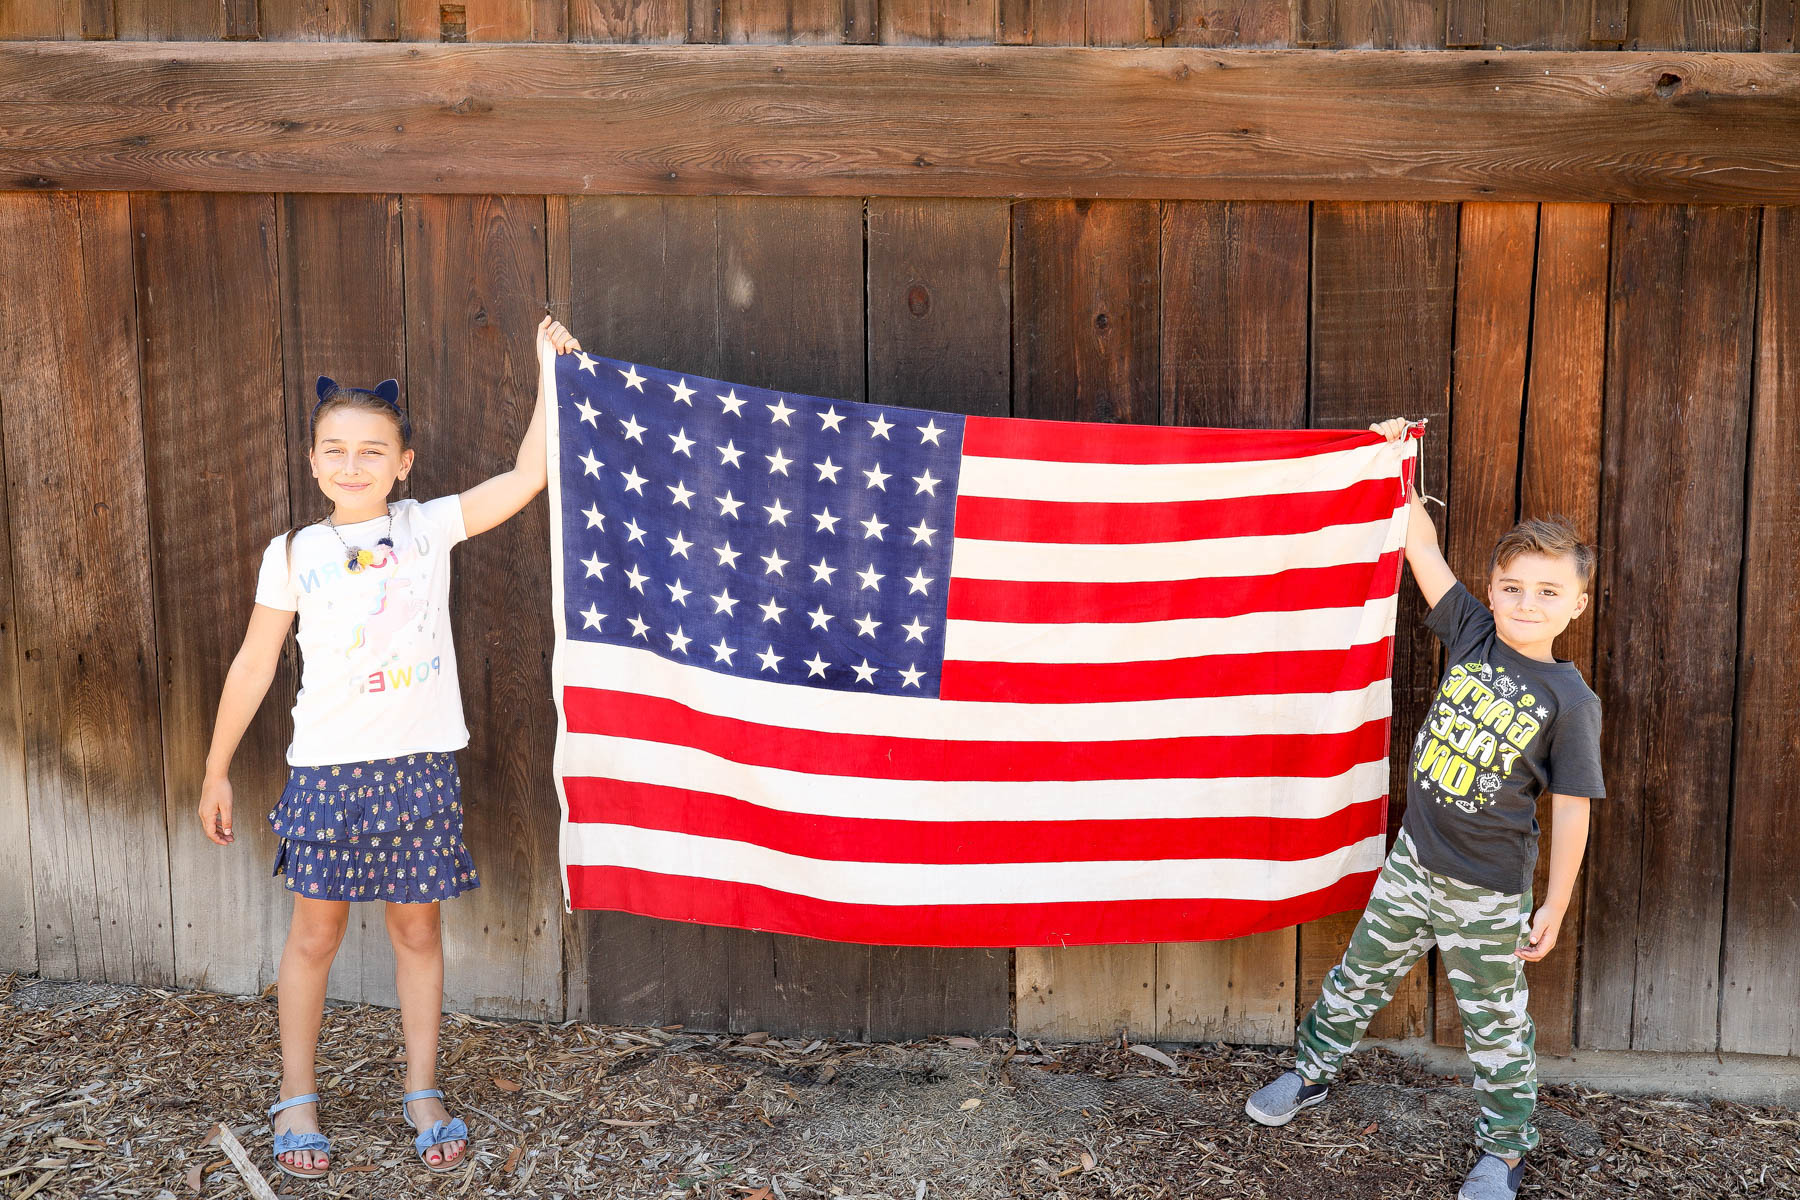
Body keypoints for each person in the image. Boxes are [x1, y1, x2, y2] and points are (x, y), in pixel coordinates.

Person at [196, 315, 581, 1179]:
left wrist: (547, 373)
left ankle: (421, 1088)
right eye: (334, 449)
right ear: (312, 460)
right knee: (313, 938)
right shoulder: (292, 554)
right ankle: (296, 1094)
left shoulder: (425, 527)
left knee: (416, 931)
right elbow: (256, 664)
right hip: (326, 774)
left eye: (373, 451)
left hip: (417, 770)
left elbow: (526, 477)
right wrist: (216, 768)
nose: (351, 464)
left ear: (402, 464)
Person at [1244, 418, 1605, 1200]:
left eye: (1548, 591)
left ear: (1577, 604)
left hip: (1486, 890)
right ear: (1495, 587)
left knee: (1496, 1028)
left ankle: (1503, 1151)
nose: (1525, 602)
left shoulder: (1569, 701)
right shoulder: (1475, 632)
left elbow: (1573, 808)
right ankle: (1310, 1072)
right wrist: (1392, 460)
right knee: (1357, 976)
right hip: (1412, 862)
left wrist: (1557, 900)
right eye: (1512, 586)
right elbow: (1422, 551)